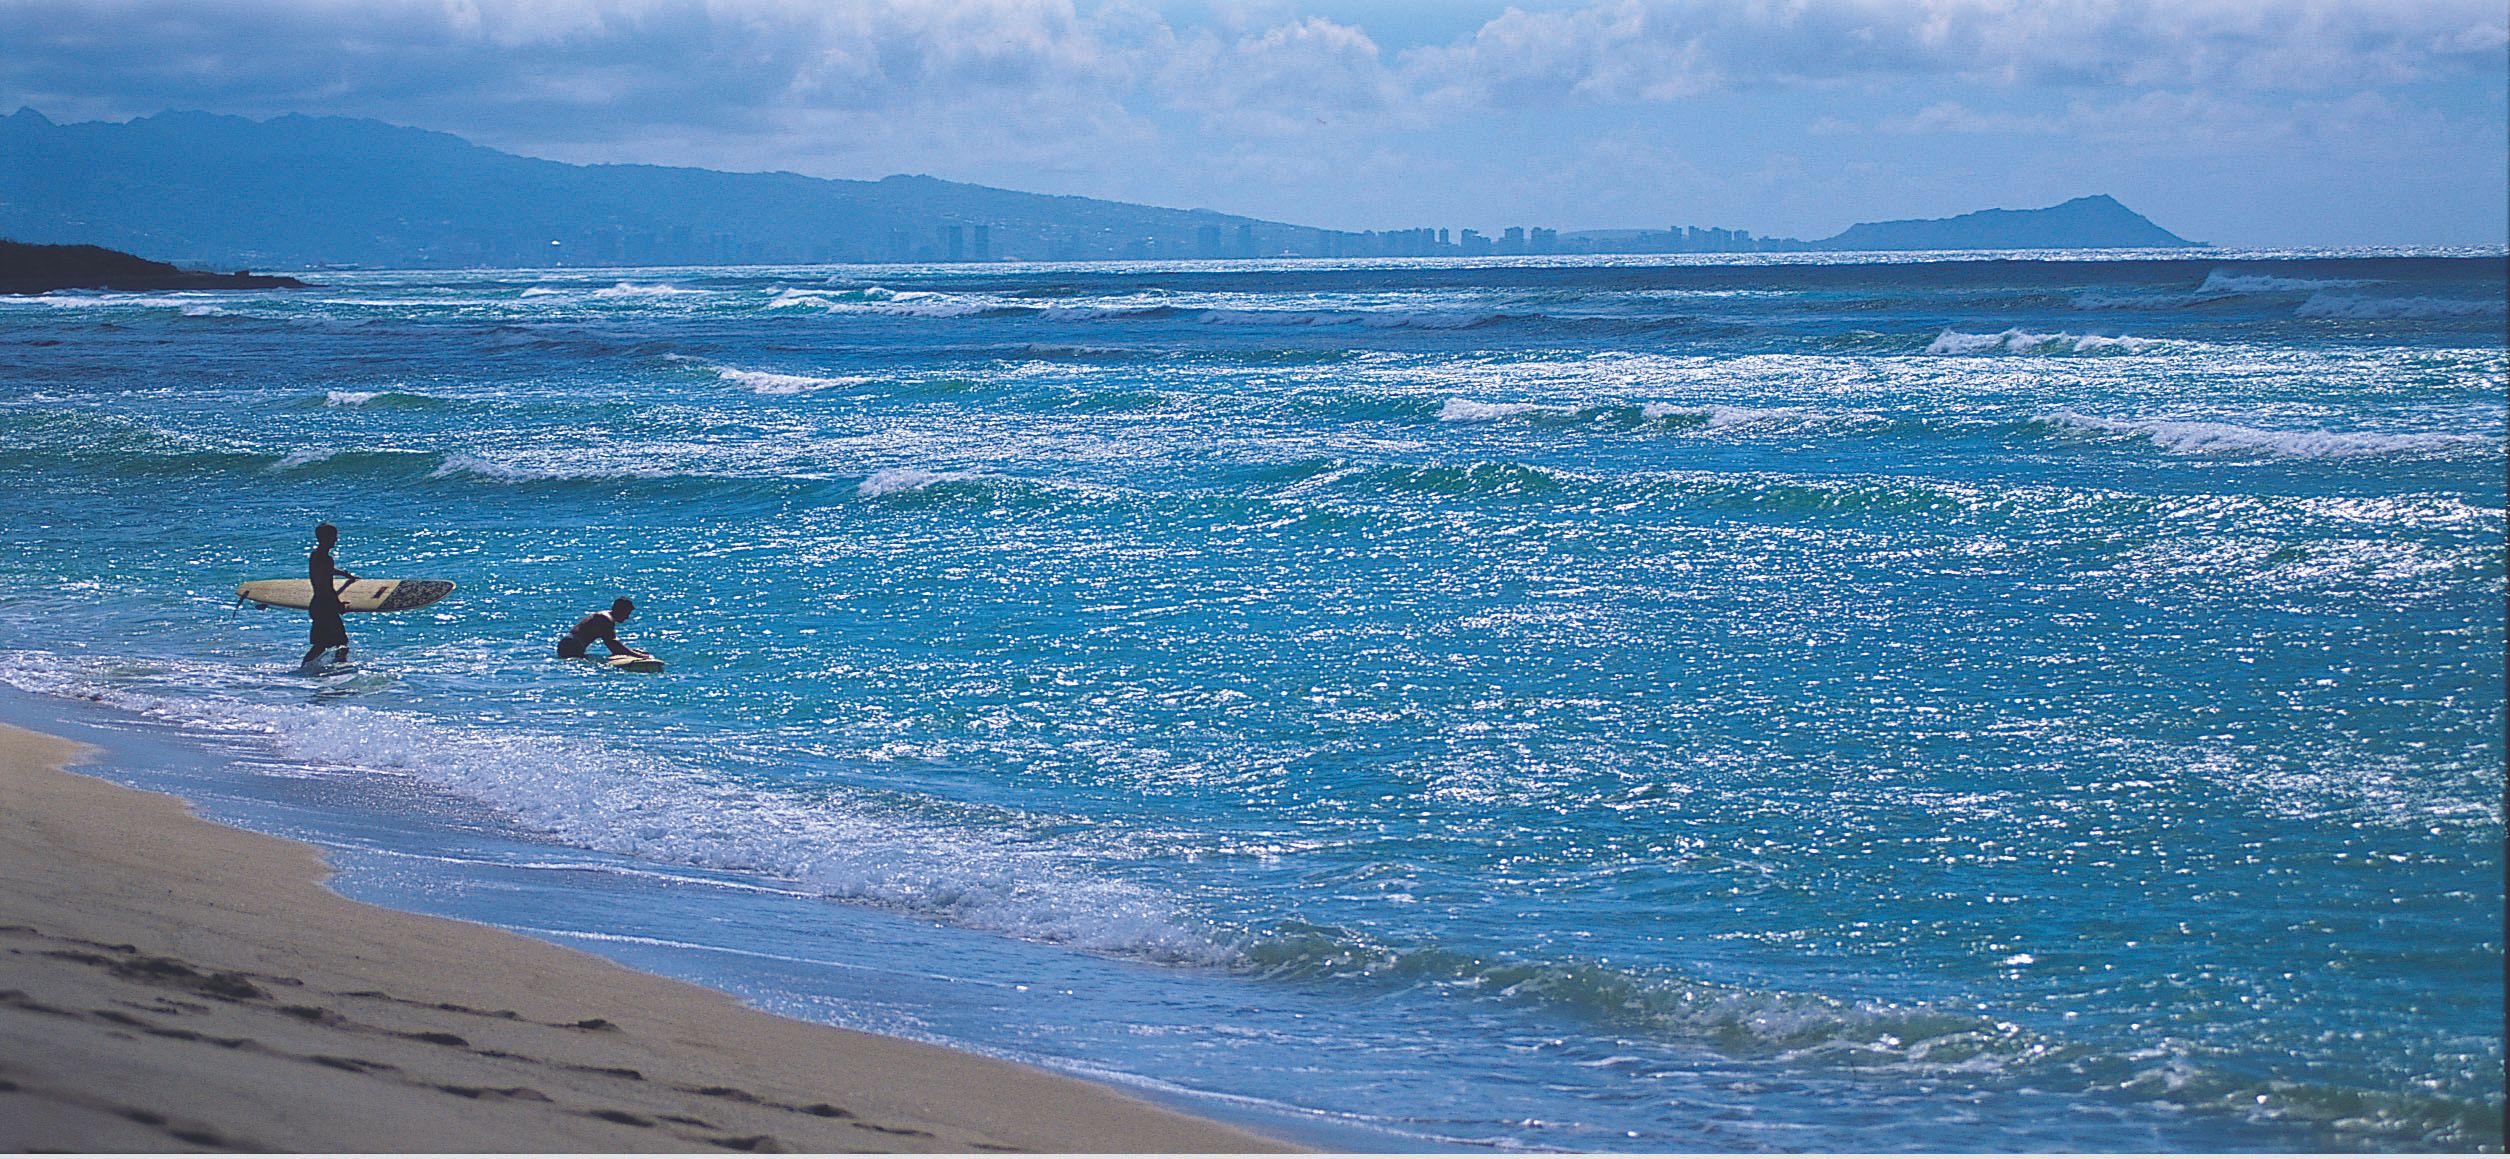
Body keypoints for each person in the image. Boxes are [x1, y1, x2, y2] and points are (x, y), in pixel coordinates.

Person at [558, 597, 652, 661]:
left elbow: (614, 644)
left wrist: (633, 652)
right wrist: (638, 656)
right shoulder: (606, 619)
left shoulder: (606, 617)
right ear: (619, 610)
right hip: (571, 646)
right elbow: (613, 645)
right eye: (626, 613)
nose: (627, 617)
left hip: (569, 645)